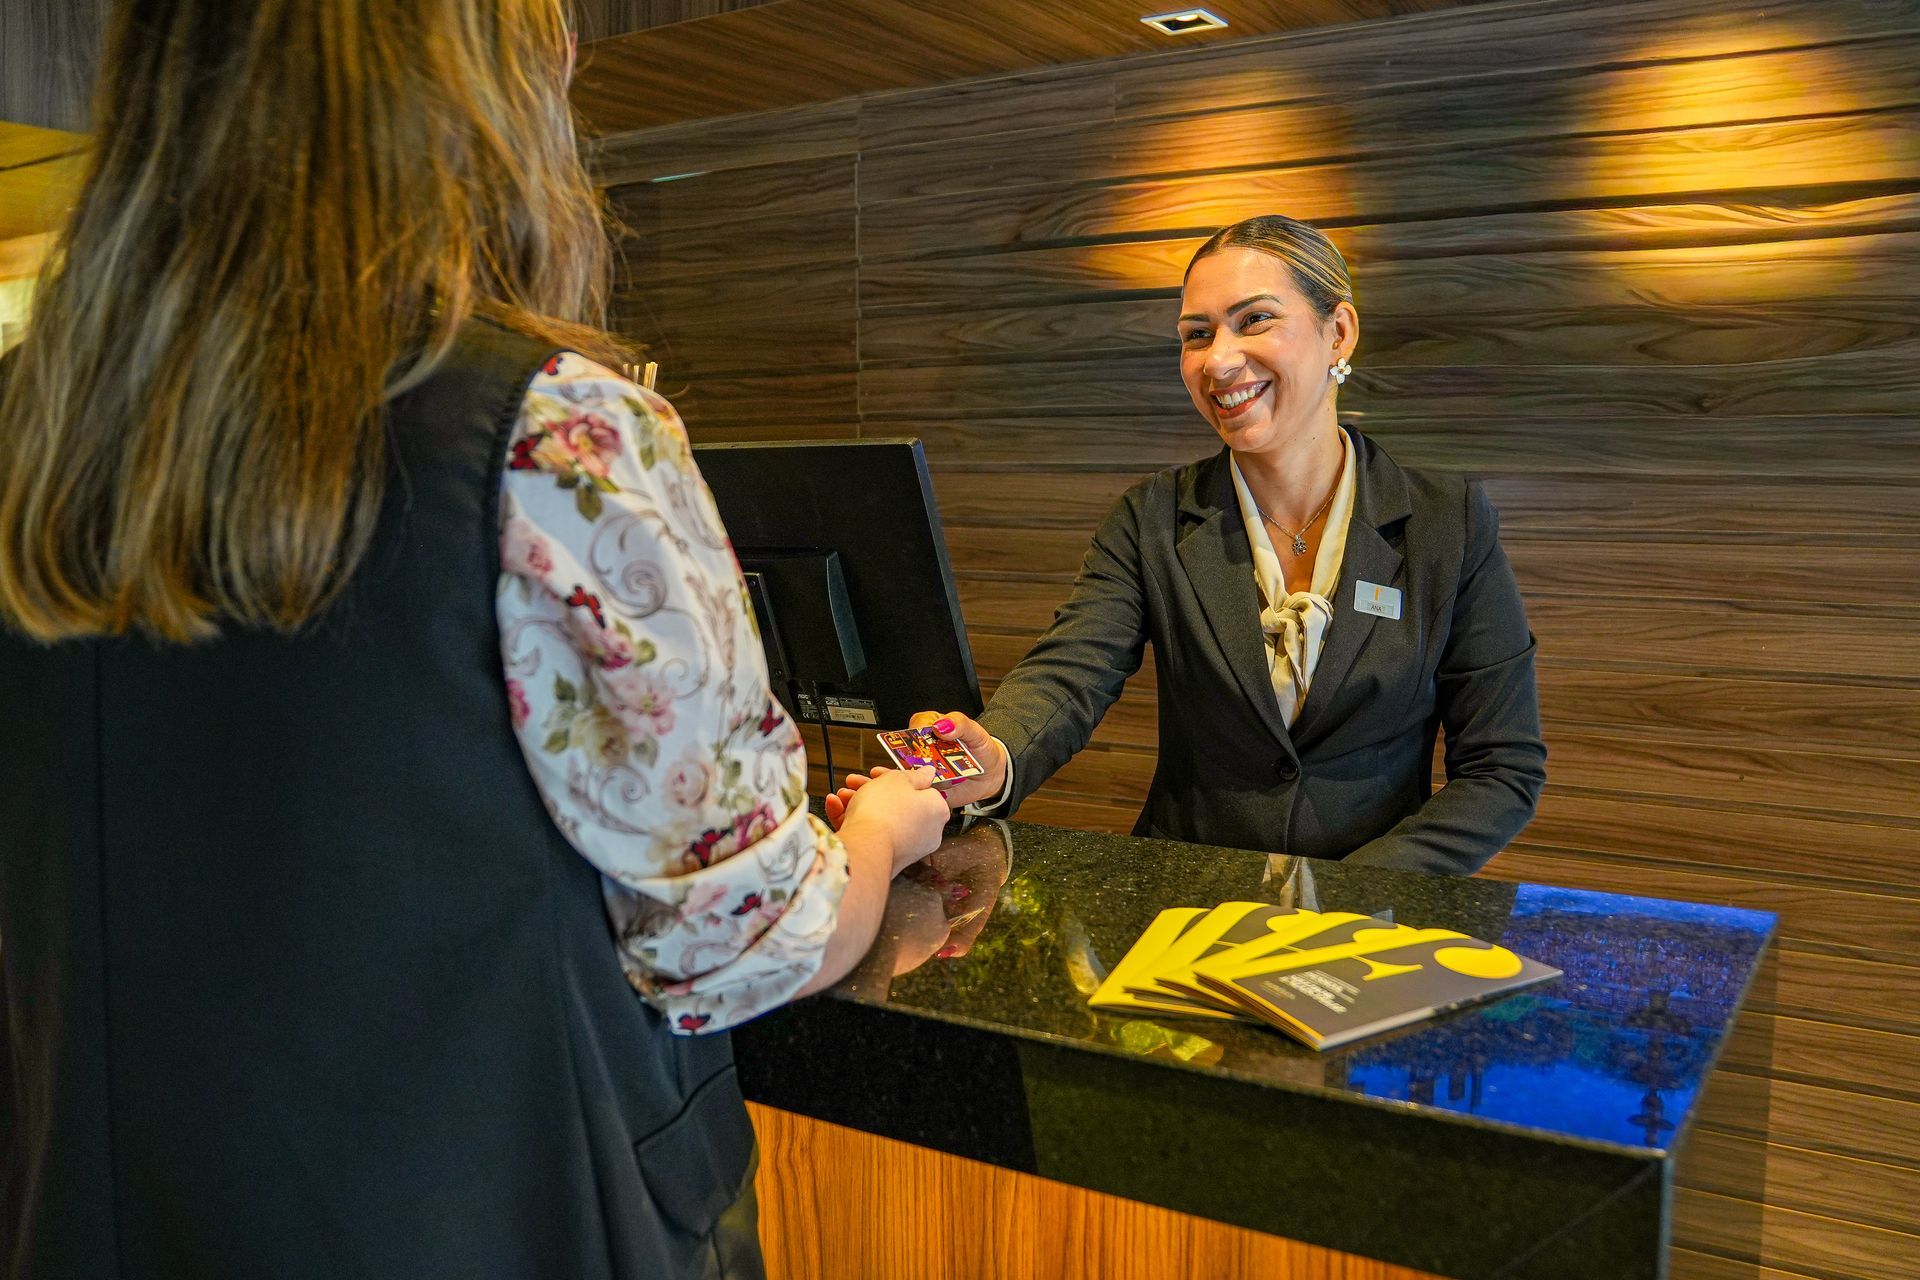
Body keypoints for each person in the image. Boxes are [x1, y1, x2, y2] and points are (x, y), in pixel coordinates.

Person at [0, 3, 947, 1279]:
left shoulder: (31, 436)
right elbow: (746, 939)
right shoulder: (552, 436)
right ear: (488, 81)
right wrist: (886, 828)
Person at [888, 215, 1545, 877]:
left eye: (1254, 320)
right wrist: (996, 756)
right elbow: (1069, 673)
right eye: (1196, 335)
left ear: (1338, 332)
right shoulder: (1153, 518)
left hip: (1371, 924)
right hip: (1185, 902)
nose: (1219, 359)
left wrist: (1355, 890)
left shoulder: (1447, 522)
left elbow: (1501, 769)